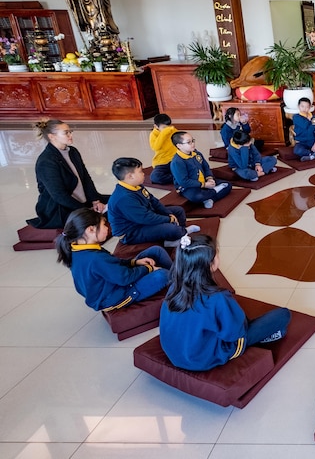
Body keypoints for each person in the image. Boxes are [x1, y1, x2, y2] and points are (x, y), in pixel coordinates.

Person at [159, 234, 291, 371]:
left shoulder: (174, 287)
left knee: (232, 314)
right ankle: (261, 338)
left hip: (175, 354)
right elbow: (235, 334)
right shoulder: (217, 297)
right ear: (210, 264)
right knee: (283, 315)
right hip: (202, 359)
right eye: (217, 254)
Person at [55, 208, 170, 312]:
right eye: (104, 224)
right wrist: (148, 269)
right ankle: (180, 281)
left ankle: (177, 276)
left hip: (113, 282)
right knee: (162, 275)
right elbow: (125, 278)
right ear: (90, 229)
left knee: (155, 251)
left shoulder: (79, 248)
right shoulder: (94, 258)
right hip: (116, 296)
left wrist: (134, 262)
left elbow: (113, 263)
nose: (107, 228)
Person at [28, 119, 110, 229]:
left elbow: (86, 179)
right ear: (52, 136)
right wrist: (85, 210)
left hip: (84, 201)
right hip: (61, 208)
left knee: (120, 201)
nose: (70, 135)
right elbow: (59, 196)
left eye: (70, 131)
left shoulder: (72, 151)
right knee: (102, 216)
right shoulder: (46, 161)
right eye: (66, 132)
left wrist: (95, 201)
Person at [107, 157, 198, 246]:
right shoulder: (124, 198)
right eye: (140, 171)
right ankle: (177, 235)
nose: (143, 174)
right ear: (130, 176)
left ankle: (180, 233)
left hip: (143, 218)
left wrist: (168, 214)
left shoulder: (136, 185)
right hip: (132, 231)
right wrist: (168, 219)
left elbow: (154, 201)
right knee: (169, 228)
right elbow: (146, 218)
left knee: (178, 211)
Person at [169, 132, 232, 209]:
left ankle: (210, 198)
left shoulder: (196, 153)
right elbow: (184, 181)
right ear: (179, 146)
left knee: (228, 184)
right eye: (189, 142)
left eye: (193, 140)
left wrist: (210, 178)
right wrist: (204, 185)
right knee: (197, 197)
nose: (193, 144)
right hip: (189, 186)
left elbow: (206, 167)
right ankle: (214, 191)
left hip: (204, 181)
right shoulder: (177, 162)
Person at [149, 113, 178, 185]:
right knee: (155, 177)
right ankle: (176, 177)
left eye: (168, 126)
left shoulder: (173, 131)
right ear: (156, 126)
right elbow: (156, 147)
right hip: (162, 162)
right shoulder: (153, 134)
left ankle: (179, 176)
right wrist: (163, 134)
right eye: (164, 127)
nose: (167, 129)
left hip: (175, 160)